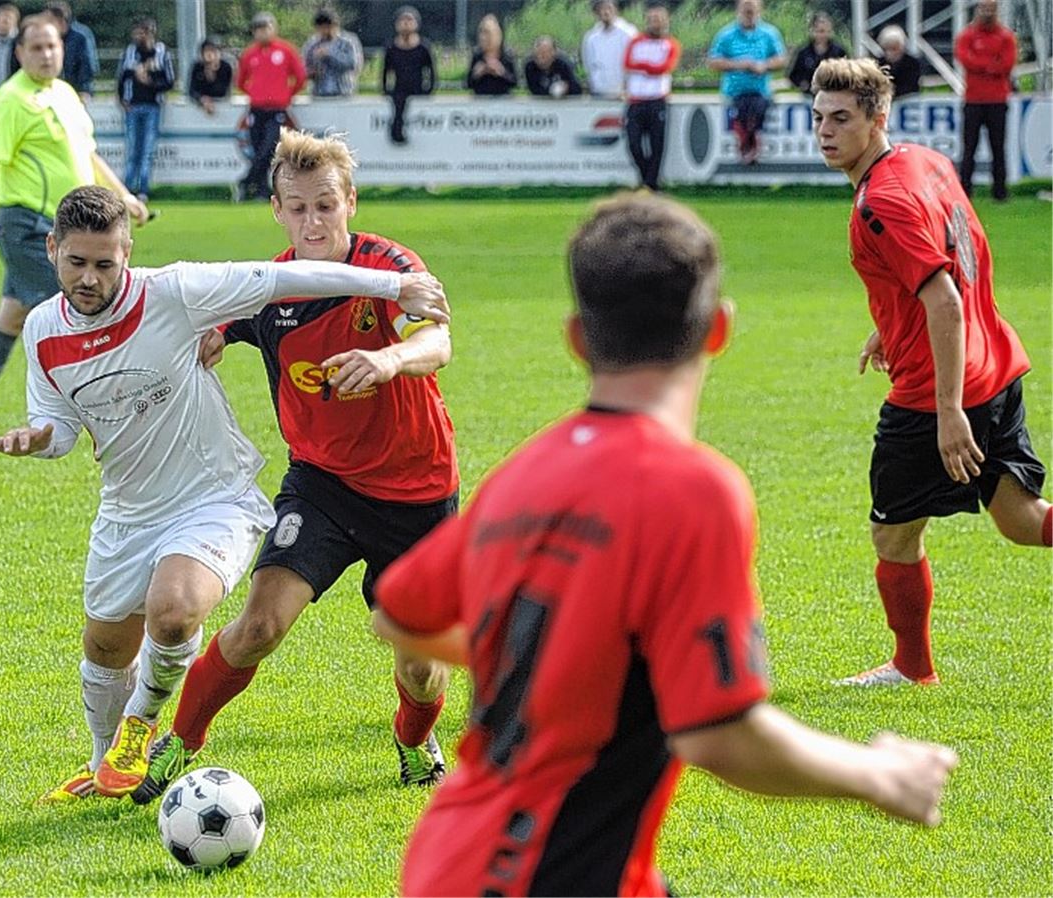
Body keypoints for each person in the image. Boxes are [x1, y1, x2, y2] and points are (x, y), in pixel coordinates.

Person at [370, 192, 959, 896]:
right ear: (718, 330)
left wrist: (557, 663)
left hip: (453, 856)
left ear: (577, 340)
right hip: (544, 872)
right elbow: (719, 735)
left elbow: (400, 614)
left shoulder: (522, 475)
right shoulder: (694, 490)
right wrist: (881, 775)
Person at [0, 184, 451, 803]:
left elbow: (279, 279)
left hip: (227, 496)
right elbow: (60, 426)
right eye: (77, 264)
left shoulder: (173, 291)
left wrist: (393, 292)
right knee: (107, 646)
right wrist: (38, 438)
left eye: (106, 263)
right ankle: (106, 765)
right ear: (52, 252)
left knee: (177, 612)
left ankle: (149, 728)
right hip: (134, 506)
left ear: (130, 250)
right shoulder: (44, 328)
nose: (91, 278)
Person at [129, 129, 460, 804]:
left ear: (351, 204)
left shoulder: (389, 267)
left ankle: (411, 736)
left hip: (418, 496)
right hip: (323, 487)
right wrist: (214, 335)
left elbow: (439, 337)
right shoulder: (270, 287)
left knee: (423, 670)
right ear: (278, 210)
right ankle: (180, 745)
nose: (314, 222)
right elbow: (224, 321)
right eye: (298, 208)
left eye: (326, 206)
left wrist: (389, 358)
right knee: (258, 626)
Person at [810, 57, 1050, 687]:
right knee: (1023, 522)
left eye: (841, 118)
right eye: (817, 118)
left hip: (935, 394)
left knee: (892, 536)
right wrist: (890, 322)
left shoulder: (878, 203)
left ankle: (912, 669)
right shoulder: (923, 160)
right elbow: (945, 264)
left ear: (876, 118)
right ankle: (912, 668)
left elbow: (942, 298)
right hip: (995, 364)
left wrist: (947, 414)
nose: (825, 132)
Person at [0, 14, 149, 440]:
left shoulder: (66, 94)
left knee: (10, 318)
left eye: (52, 46)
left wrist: (122, 195)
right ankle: (108, 413)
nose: (46, 54)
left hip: (61, 228)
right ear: (19, 53)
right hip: (27, 228)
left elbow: (87, 155)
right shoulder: (11, 100)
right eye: (36, 47)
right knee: (81, 309)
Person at [237, 11, 306, 201]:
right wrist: (254, 93)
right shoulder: (250, 53)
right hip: (256, 109)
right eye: (258, 29)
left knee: (269, 147)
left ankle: (246, 181)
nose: (262, 33)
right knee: (259, 148)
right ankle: (260, 190)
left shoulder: (286, 51)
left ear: (273, 28)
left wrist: (286, 95)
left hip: (277, 109)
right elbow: (240, 81)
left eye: (265, 28)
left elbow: (300, 77)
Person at [708, 0, 787, 165]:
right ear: (738, 10)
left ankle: (752, 148)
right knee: (740, 116)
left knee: (758, 113)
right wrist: (739, 64)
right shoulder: (726, 35)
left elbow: (782, 59)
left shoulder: (770, 33)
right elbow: (713, 62)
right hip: (734, 92)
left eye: (752, 11)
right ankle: (745, 147)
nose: (749, 15)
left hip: (761, 91)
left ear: (759, 10)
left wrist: (764, 65)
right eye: (746, 11)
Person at [955, 0, 1016, 202]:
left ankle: (1000, 192)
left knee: (998, 148)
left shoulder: (1005, 36)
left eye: (991, 8)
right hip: (973, 100)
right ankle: (965, 191)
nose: (988, 12)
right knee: (969, 148)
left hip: (997, 100)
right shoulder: (967, 35)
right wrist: (991, 64)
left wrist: (981, 64)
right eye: (984, 8)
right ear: (978, 9)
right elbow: (965, 59)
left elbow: (1007, 64)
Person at [624, 2, 680, 192]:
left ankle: (650, 184)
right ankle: (646, 179)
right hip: (636, 100)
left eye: (659, 20)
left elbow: (664, 68)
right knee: (634, 144)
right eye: (652, 19)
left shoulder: (670, 44)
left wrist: (643, 66)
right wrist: (649, 67)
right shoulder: (636, 41)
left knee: (657, 145)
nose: (655, 23)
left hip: (657, 100)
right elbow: (628, 63)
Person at [117, 17, 174, 202]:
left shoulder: (161, 52)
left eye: (142, 32)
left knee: (147, 149)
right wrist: (122, 99)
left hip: (152, 106)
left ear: (150, 33)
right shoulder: (130, 52)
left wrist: (151, 83)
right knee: (133, 148)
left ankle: (143, 188)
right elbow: (121, 77)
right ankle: (127, 189)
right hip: (133, 106)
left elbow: (169, 81)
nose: (138, 36)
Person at [381, 6, 434, 145]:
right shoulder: (392, 47)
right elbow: (385, 71)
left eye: (409, 20)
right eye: (402, 20)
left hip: (418, 88)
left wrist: (429, 89)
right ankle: (397, 134)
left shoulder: (423, 47)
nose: (406, 23)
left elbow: (431, 71)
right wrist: (385, 90)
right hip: (399, 89)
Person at [302, 7, 363, 98]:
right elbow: (304, 66)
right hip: (318, 93)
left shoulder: (348, 41)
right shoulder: (311, 44)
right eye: (320, 28)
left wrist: (330, 54)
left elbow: (353, 64)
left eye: (327, 28)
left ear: (335, 26)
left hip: (344, 93)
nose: (324, 31)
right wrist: (312, 72)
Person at [581, 0, 637, 100]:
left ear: (615, 10)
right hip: (598, 93)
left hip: (624, 94)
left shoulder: (629, 33)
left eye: (609, 8)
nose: (606, 12)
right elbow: (588, 64)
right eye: (602, 9)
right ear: (596, 12)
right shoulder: (591, 37)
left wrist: (628, 87)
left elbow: (635, 62)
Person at [787, 11, 846, 95]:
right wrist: (802, 84)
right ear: (813, 31)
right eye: (821, 31)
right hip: (809, 95)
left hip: (833, 95)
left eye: (827, 31)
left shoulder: (839, 51)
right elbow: (793, 75)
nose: (824, 35)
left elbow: (847, 74)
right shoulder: (804, 52)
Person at [46, 1, 94, 98]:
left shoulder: (79, 39)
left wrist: (84, 90)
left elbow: (85, 66)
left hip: (73, 89)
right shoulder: (45, 39)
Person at [467, 14, 518, 96]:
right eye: (481, 33)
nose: (483, 37)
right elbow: (468, 84)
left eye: (487, 33)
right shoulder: (477, 55)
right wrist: (477, 74)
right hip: (480, 100)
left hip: (503, 100)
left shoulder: (507, 55)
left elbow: (514, 83)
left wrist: (501, 72)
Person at [875, 25, 921, 99]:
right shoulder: (878, 64)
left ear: (901, 47)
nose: (890, 52)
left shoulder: (912, 63)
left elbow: (910, 86)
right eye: (886, 49)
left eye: (894, 48)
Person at [188, 38, 232, 114]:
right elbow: (192, 90)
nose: (209, 54)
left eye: (212, 50)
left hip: (222, 107)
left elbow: (223, 91)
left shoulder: (225, 67)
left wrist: (212, 72)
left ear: (219, 52)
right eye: (206, 50)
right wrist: (202, 99)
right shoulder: (197, 67)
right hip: (200, 106)